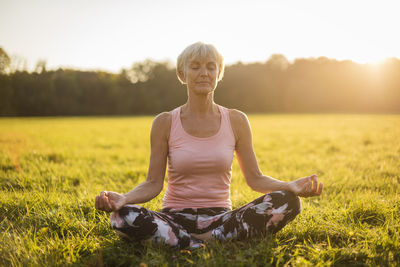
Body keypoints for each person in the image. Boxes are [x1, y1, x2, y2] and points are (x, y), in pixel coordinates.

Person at [95, 42, 323, 249]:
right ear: (182, 74)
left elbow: (255, 178)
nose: (204, 73)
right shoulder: (164, 122)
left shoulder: (237, 120)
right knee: (121, 216)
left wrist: (290, 186)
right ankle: (201, 242)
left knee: (288, 202)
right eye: (195, 67)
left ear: (219, 73)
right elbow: (153, 184)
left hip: (221, 220)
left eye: (211, 67)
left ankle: (188, 243)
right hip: (174, 218)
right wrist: (124, 199)